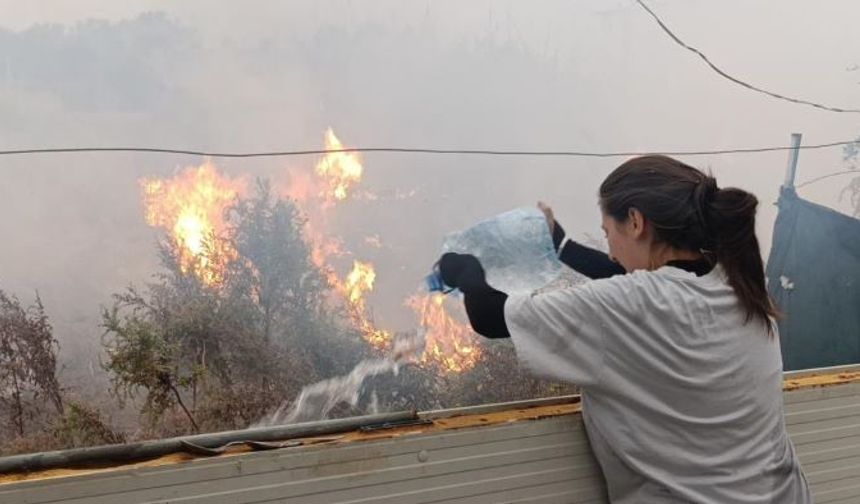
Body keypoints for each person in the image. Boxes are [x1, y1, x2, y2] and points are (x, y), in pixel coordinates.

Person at [438, 155, 812, 503]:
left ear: (635, 222)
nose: (612, 249)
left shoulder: (632, 306)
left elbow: (489, 316)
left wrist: (466, 265)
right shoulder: (737, 284)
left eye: (608, 232)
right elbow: (630, 280)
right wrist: (561, 245)